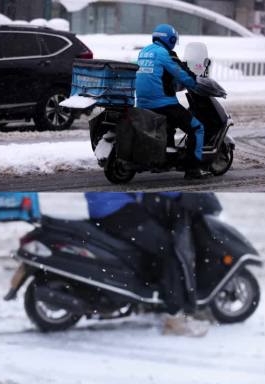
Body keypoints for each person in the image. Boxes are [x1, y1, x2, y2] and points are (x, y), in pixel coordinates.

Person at [85, 192, 208, 336]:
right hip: (119, 210)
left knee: (153, 245)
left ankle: (154, 301)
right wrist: (179, 192)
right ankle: (174, 318)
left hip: (103, 209)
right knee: (169, 250)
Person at [135, 24, 210, 179]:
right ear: (170, 39)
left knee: (170, 125)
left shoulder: (144, 51)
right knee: (196, 128)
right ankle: (193, 169)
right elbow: (181, 73)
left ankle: (164, 160)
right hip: (162, 103)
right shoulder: (165, 54)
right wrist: (197, 85)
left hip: (142, 103)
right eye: (174, 39)